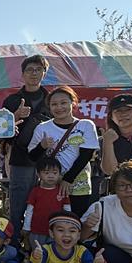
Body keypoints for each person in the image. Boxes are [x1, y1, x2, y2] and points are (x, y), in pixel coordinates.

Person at [27, 85, 99, 216]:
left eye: (63, 103)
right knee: (50, 220)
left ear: (73, 103)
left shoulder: (85, 125)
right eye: (54, 104)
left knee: (75, 220)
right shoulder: (42, 128)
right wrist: (42, 146)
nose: (59, 107)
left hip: (79, 186)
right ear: (49, 107)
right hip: (51, 185)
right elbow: (32, 157)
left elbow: (86, 155)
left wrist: (68, 179)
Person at [0, 55, 52, 237]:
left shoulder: (53, 99)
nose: (34, 73)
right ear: (22, 74)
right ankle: (14, 246)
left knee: (45, 207)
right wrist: (15, 116)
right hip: (21, 160)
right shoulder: (12, 100)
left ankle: (41, 248)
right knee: (17, 207)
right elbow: (0, 133)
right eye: (30, 69)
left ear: (44, 73)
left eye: (38, 69)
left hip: (48, 162)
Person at [22, 157, 72, 250]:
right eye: (46, 173)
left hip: (56, 231)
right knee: (38, 253)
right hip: (37, 230)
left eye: (55, 173)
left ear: (59, 174)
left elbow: (67, 210)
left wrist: (68, 225)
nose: (51, 176)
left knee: (54, 253)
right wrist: (26, 227)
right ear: (38, 174)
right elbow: (29, 211)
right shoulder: (35, 191)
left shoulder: (62, 190)